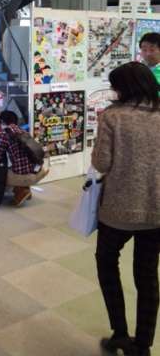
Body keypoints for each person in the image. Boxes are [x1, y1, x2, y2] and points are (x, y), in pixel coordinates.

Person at [91, 62, 160, 356]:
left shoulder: (113, 116)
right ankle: (142, 345)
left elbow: (101, 163)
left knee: (107, 264)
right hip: (156, 211)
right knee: (147, 275)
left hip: (118, 210)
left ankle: (120, 333)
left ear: (125, 88)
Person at [0, 110, 48, 206]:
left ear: (2, 122)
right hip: (37, 169)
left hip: (22, 172)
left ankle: (21, 191)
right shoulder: (23, 131)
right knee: (17, 165)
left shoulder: (4, 134)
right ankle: (24, 189)